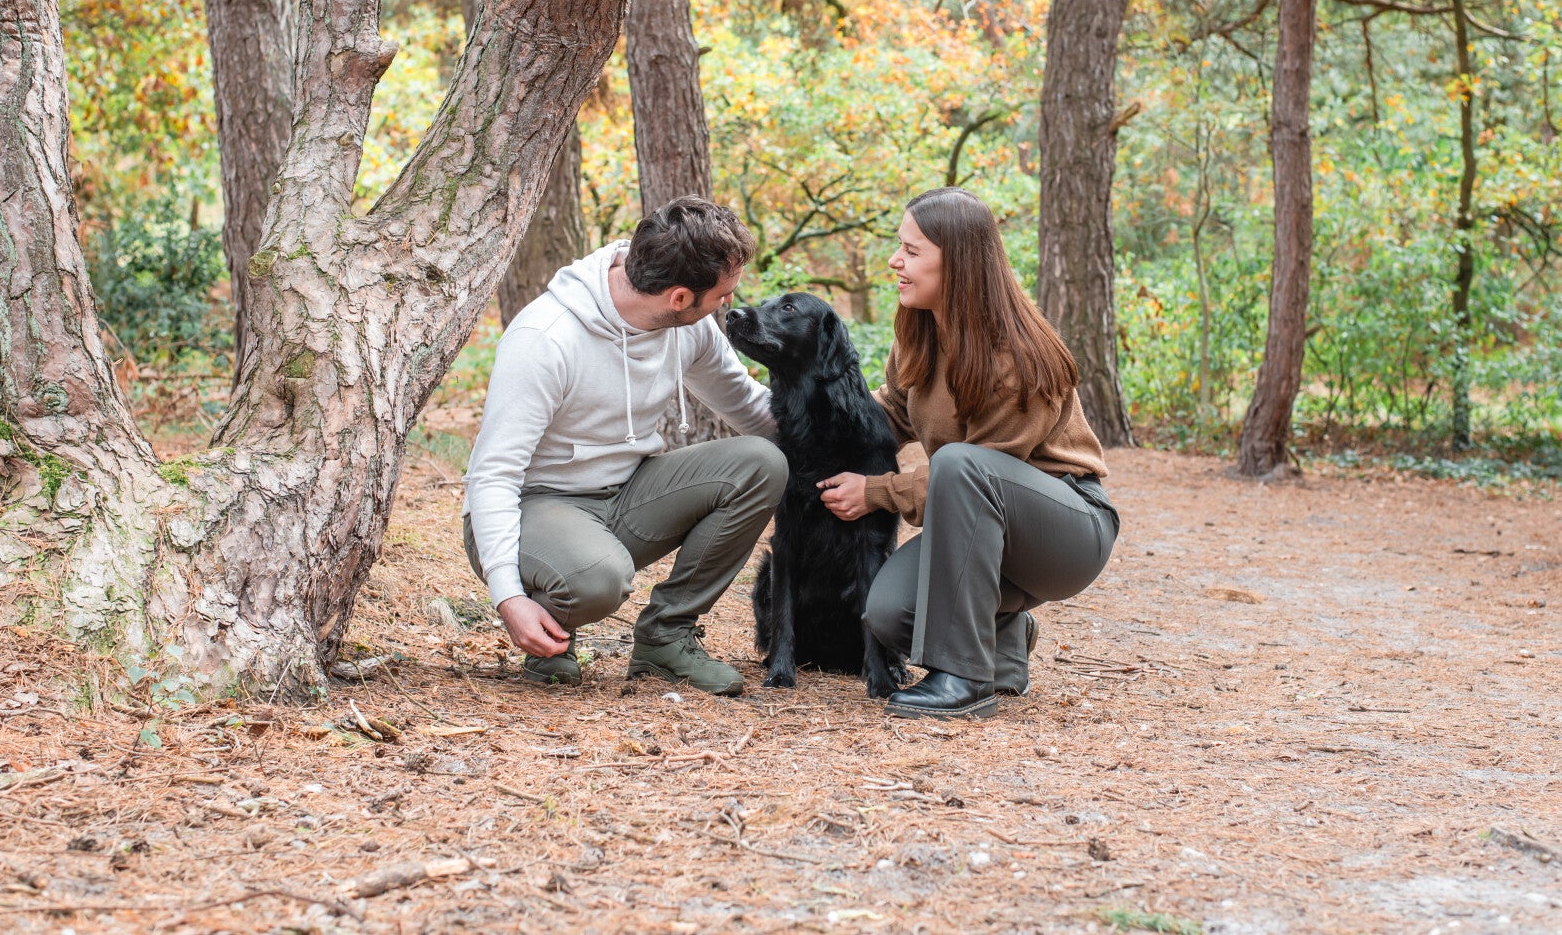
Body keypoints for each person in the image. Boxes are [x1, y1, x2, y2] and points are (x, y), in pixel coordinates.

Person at [816, 187, 1119, 719]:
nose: (895, 261)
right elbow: (889, 412)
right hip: (986, 532)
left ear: (956, 260)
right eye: (899, 247)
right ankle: (1001, 640)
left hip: (1067, 532)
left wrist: (877, 492)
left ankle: (965, 678)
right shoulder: (920, 330)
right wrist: (809, 422)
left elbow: (968, 476)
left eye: (912, 251)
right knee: (888, 613)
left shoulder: (1018, 356)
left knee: (959, 463)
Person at [463, 197, 785, 696]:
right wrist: (507, 596)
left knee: (762, 464)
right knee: (597, 579)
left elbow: (749, 407)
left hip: (626, 491)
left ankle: (666, 639)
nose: (728, 305)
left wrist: (856, 441)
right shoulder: (545, 339)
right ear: (679, 298)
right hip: (535, 506)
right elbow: (493, 475)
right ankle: (550, 620)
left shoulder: (691, 327)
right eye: (722, 295)